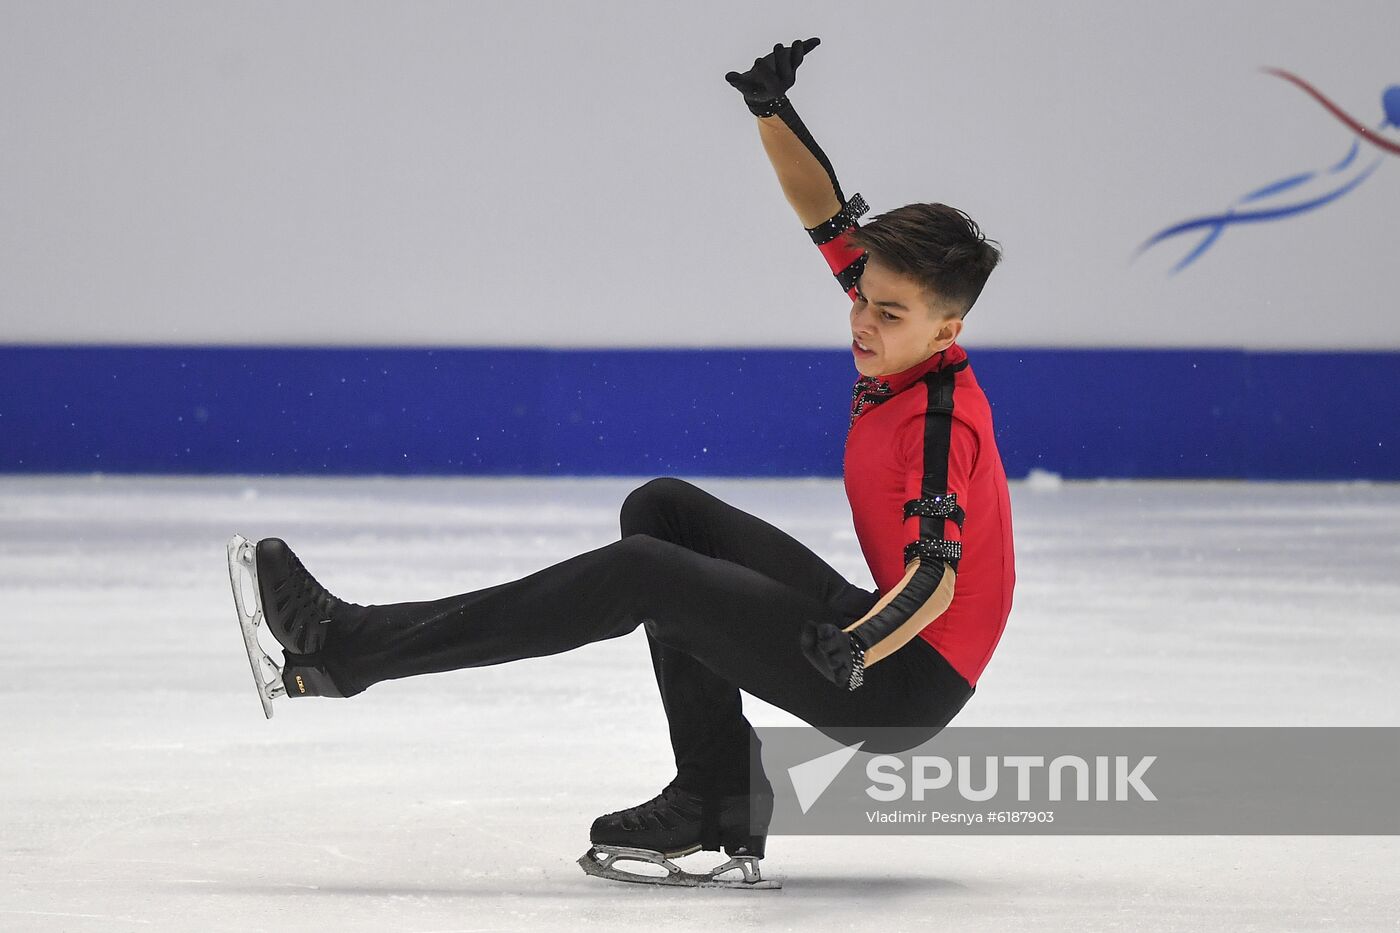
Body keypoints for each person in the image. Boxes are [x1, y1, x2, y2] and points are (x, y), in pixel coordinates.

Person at [228, 37, 1014, 886]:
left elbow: (935, 580)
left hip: (900, 677)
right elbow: (822, 211)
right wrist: (769, 110)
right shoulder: (901, 331)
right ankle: (718, 789)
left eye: (888, 312)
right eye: (860, 295)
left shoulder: (941, 426)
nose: (861, 317)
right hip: (876, 627)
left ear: (947, 330)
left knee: (646, 571)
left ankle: (348, 648)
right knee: (663, 510)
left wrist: (853, 648)